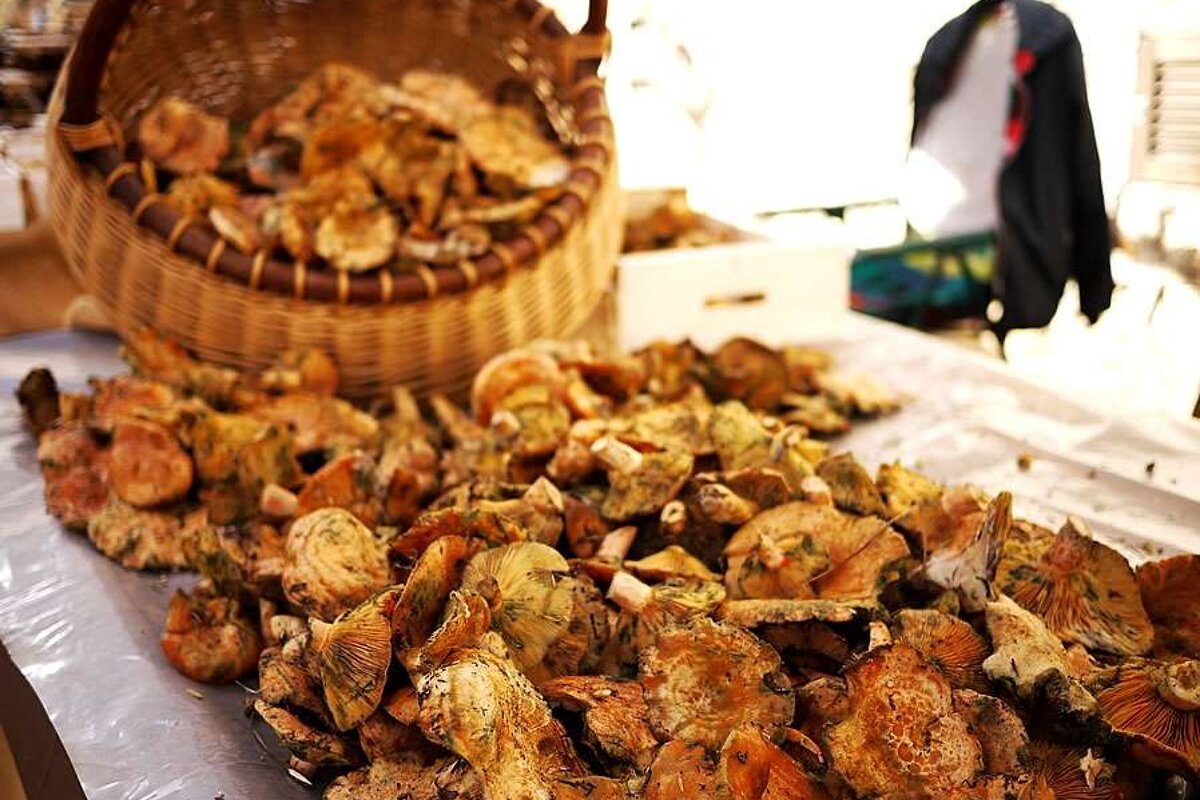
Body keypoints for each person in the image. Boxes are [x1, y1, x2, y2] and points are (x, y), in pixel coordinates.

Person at [906, 0, 1113, 340]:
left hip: (933, 243)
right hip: (997, 251)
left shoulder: (947, 39)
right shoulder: (1050, 36)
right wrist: (1095, 285)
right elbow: (1080, 159)